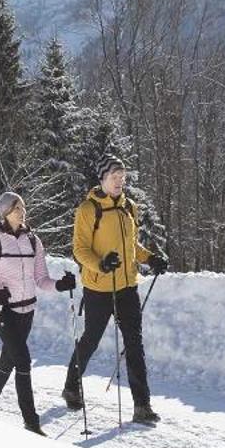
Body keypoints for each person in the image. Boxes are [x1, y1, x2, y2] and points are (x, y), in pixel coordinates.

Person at [64, 157, 168, 425]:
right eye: (114, 176)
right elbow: (80, 249)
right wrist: (101, 263)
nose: (120, 181)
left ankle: (141, 405)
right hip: (98, 287)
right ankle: (72, 386)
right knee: (91, 340)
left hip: (127, 287)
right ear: (102, 179)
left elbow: (131, 246)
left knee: (135, 343)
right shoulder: (88, 210)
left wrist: (150, 258)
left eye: (122, 176)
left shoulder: (129, 207)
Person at [0, 190, 76, 433]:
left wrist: (60, 285)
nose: (23, 212)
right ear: (6, 213)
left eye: (24, 207)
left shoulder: (33, 241)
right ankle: (31, 421)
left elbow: (41, 279)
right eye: (18, 208)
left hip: (27, 310)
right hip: (4, 312)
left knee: (8, 362)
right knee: (23, 361)